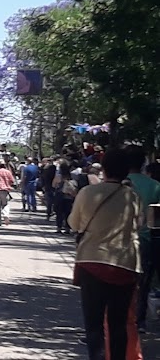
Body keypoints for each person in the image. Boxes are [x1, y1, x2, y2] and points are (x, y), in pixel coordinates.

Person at [68, 148, 141, 360]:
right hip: (126, 263)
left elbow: (73, 223)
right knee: (118, 324)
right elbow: (141, 223)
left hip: (92, 261)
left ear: (105, 169)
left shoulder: (87, 193)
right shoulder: (133, 196)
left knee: (94, 325)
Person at [125, 145, 160, 333]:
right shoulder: (155, 186)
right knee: (143, 281)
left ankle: (120, 318)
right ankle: (139, 320)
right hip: (146, 239)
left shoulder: (119, 183)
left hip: (120, 240)